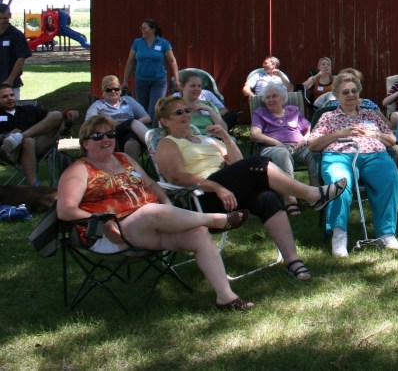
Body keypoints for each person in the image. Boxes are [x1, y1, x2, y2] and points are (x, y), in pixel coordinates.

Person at [57, 115, 254, 311]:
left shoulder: (123, 158)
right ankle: (216, 220)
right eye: (98, 136)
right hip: (113, 234)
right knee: (150, 212)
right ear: (85, 143)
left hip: (151, 228)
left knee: (199, 233)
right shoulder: (79, 169)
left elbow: (151, 184)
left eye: (110, 134)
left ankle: (226, 297)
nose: (106, 139)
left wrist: (167, 205)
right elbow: (65, 210)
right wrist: (102, 221)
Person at [154, 96, 342, 280]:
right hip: (202, 198)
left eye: (187, 110)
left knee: (267, 197)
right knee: (258, 162)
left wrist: (226, 138)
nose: (186, 114)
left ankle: (293, 261)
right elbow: (177, 177)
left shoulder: (206, 139)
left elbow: (238, 163)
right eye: (178, 112)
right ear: (164, 121)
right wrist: (217, 187)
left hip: (228, 192)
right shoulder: (168, 143)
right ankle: (311, 194)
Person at [308, 77, 398, 258]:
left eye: (354, 91)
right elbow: (313, 145)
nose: (351, 95)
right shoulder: (328, 117)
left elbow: (392, 140)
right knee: (339, 182)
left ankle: (386, 233)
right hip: (339, 155)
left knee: (390, 178)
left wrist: (373, 133)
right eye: (345, 92)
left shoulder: (370, 115)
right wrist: (340, 133)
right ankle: (339, 234)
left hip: (373, 154)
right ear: (337, 95)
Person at [250, 82, 315, 214]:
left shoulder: (293, 111)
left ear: (283, 98)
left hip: (297, 146)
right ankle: (290, 200)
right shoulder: (260, 112)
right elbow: (254, 134)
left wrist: (305, 138)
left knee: (314, 153)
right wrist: (275, 142)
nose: (270, 100)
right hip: (272, 148)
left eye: (274, 96)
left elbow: (309, 128)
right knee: (282, 154)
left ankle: (315, 194)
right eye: (267, 97)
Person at [0, 84, 77, 186]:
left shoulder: (28, 109)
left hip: (37, 147)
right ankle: (35, 184)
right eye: (5, 97)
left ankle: (19, 137)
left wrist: (67, 113)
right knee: (28, 141)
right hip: (9, 152)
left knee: (56, 115)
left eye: (11, 95)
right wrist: (6, 136)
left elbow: (52, 118)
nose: (10, 98)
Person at [84, 75, 150, 160]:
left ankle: (131, 170)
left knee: (131, 140)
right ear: (103, 91)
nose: (113, 91)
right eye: (109, 89)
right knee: (132, 122)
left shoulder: (128, 100)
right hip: (111, 133)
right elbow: (89, 123)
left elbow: (147, 118)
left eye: (116, 89)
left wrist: (129, 126)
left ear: (120, 89)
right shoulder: (98, 105)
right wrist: (129, 123)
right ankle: (153, 144)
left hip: (131, 132)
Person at [123, 19, 179, 119]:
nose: (142, 30)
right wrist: (125, 80)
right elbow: (130, 61)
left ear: (153, 29)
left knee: (155, 108)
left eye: (145, 28)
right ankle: (143, 132)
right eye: (141, 28)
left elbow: (172, 61)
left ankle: (153, 131)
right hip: (141, 80)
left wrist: (177, 78)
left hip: (158, 81)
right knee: (141, 108)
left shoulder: (163, 43)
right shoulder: (137, 42)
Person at [177, 70, 233, 134]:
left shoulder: (208, 104)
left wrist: (210, 110)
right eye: (193, 86)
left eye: (199, 86)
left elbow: (224, 130)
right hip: (186, 141)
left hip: (210, 141)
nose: (197, 89)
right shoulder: (175, 107)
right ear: (181, 86)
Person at [0, 3, 31, 98]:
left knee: (11, 110)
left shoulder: (17, 35)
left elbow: (21, 58)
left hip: (9, 84)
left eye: (4, 18)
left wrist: (10, 80)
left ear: (9, 15)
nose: (1, 21)